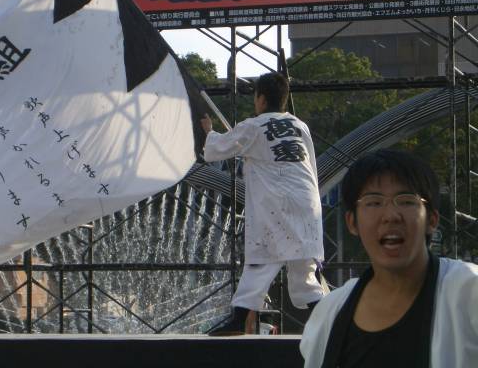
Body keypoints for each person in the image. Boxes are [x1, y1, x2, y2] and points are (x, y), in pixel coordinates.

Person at [300, 149, 478, 367]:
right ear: (352, 222)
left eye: (406, 201)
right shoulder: (330, 312)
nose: (391, 216)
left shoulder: (469, 293)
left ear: (432, 220)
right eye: (374, 202)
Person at [201, 72, 326, 336]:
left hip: (276, 204)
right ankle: (330, 322)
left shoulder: (254, 126)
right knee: (305, 273)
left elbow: (216, 150)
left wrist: (209, 131)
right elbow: (312, 166)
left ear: (261, 99)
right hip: (307, 201)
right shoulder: (299, 126)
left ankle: (239, 321)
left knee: (261, 261)